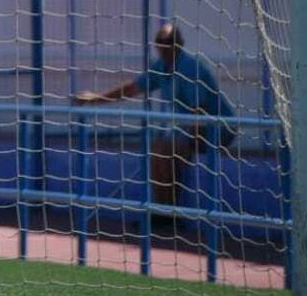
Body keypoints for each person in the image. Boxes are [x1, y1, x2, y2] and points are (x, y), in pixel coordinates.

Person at [74, 22, 236, 207]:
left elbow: (198, 112)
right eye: (160, 41)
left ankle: (171, 211)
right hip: (192, 128)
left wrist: (189, 143)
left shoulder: (191, 67)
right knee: (157, 151)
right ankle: (163, 209)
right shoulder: (161, 67)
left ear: (179, 43)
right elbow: (133, 88)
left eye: (169, 41)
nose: (164, 46)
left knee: (168, 152)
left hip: (217, 129)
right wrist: (96, 98)